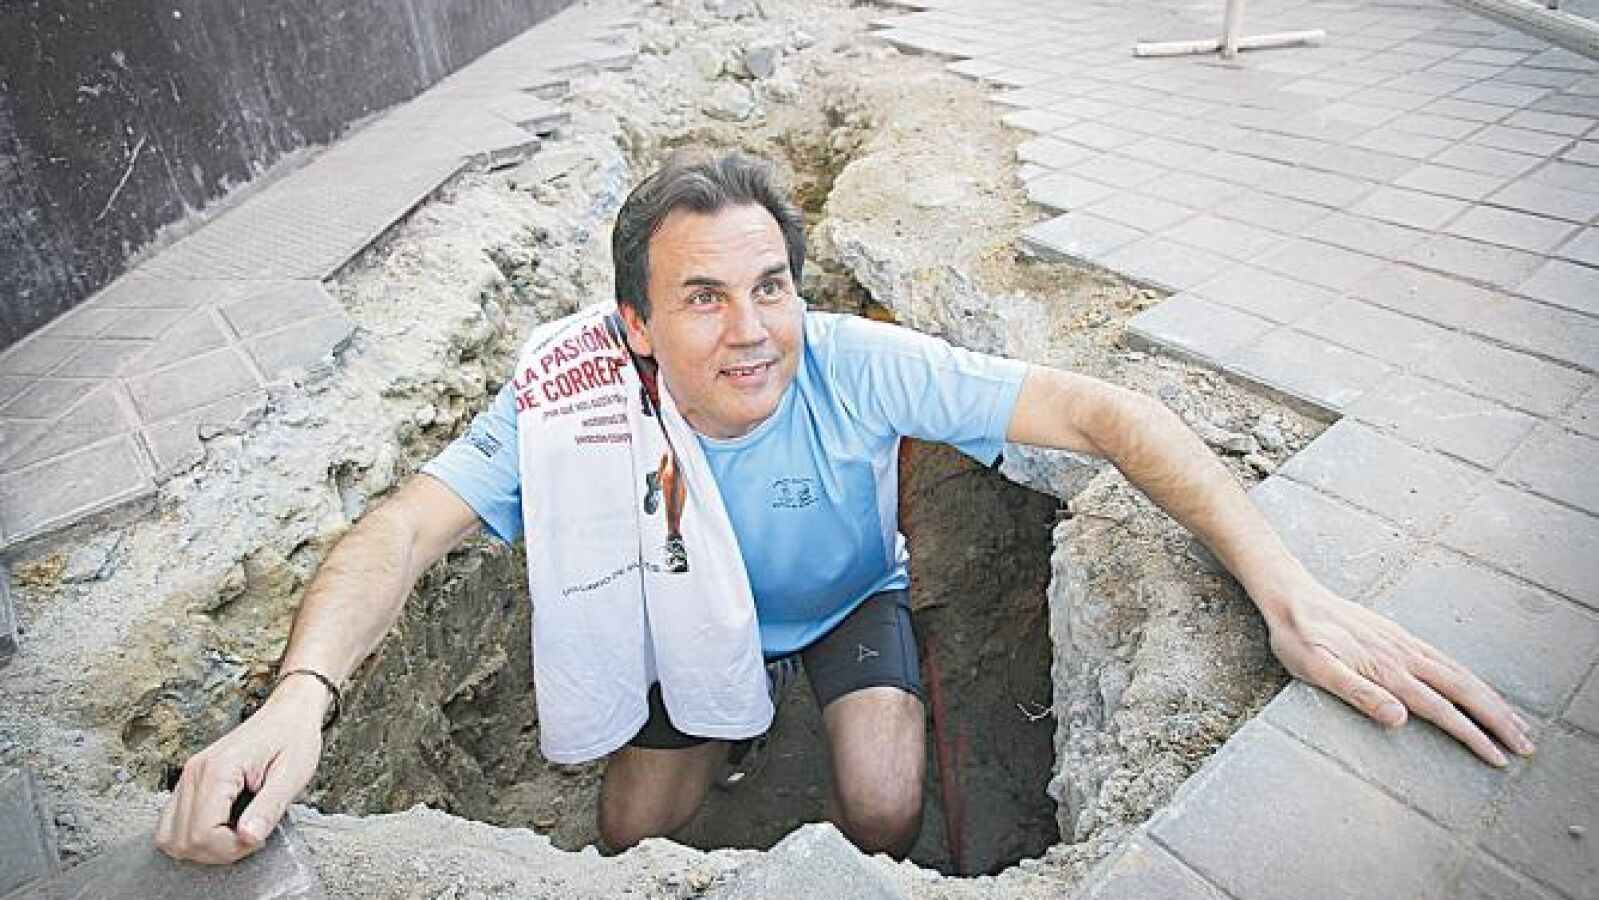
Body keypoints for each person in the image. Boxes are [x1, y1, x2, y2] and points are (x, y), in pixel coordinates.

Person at [156, 151, 1534, 865]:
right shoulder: (572, 403)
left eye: (771, 286)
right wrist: (299, 702)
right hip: (673, 625)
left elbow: (1102, 414)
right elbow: (402, 526)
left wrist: (1288, 591)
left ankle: (808, 748)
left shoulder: (852, 361)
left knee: (879, 808)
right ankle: (726, 743)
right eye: (703, 297)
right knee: (630, 836)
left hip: (844, 603)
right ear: (635, 325)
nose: (753, 331)